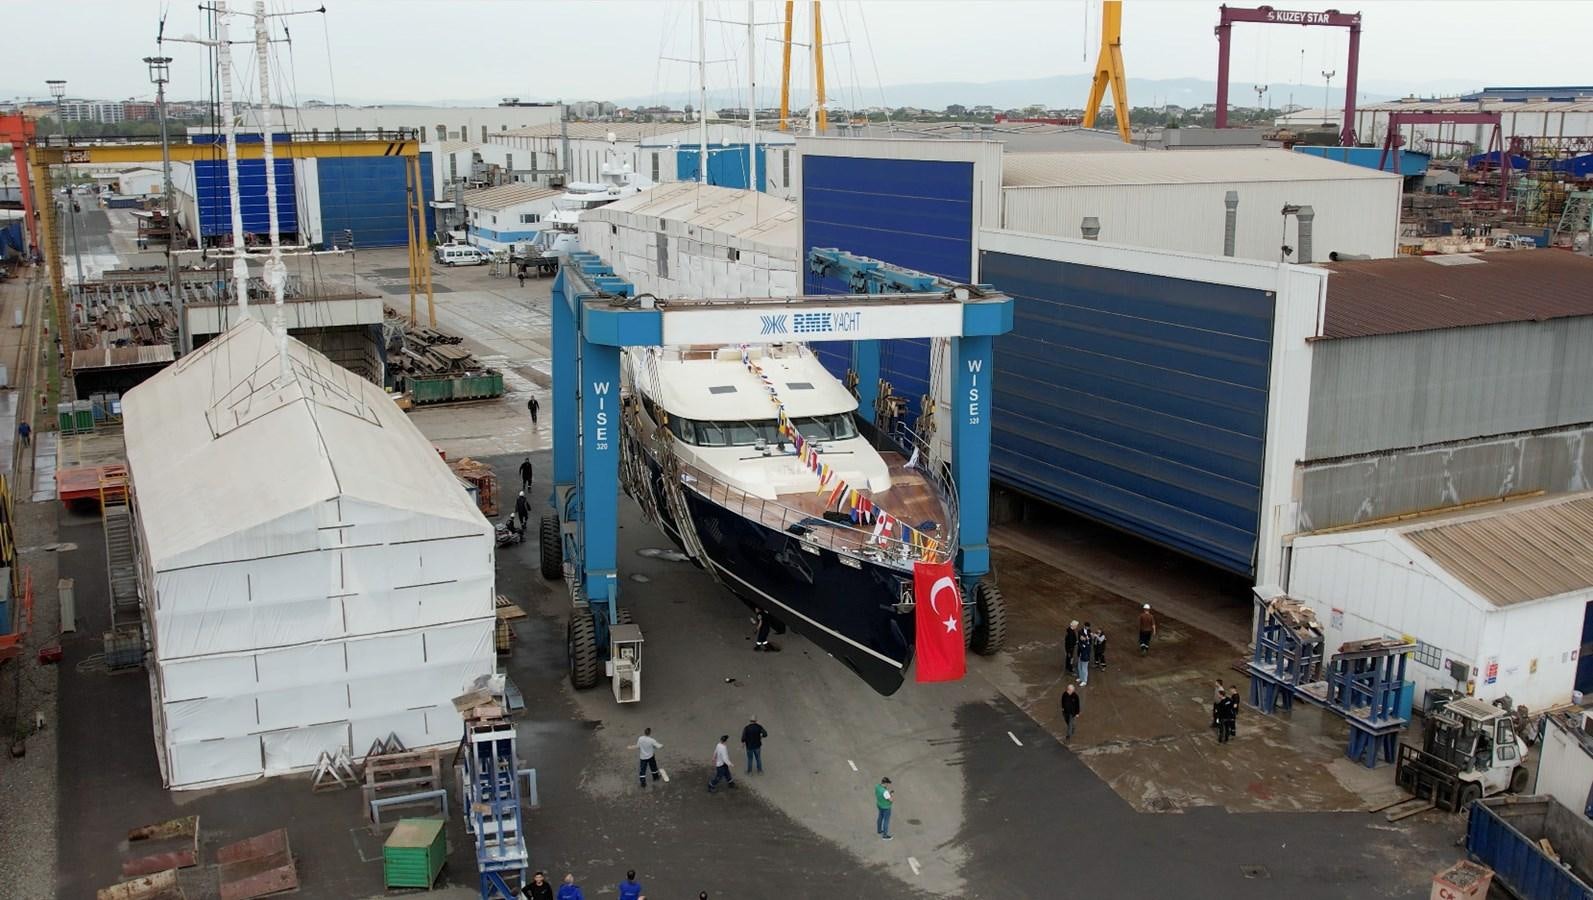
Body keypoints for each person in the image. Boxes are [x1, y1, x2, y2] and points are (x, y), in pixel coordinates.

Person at [1076, 622, 1092, 686]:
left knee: (1084, 668)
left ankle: (1084, 681)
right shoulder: (1081, 633)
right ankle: (1081, 678)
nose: (1081, 637)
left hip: (1085, 657)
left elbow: (1083, 647)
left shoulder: (1087, 644)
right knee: (1079, 667)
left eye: (1082, 637)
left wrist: (1080, 642)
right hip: (1081, 655)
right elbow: (1080, 644)